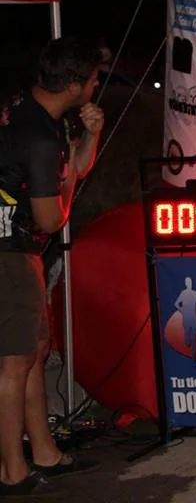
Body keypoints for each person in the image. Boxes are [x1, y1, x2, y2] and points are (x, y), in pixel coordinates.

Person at [0, 37, 105, 498]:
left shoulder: (33, 110)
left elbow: (75, 169)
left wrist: (92, 136)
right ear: (76, 85)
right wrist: (63, 192)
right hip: (9, 252)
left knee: (34, 352)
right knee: (14, 362)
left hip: (20, 251)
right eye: (95, 80)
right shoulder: (40, 136)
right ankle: (11, 470)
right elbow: (53, 217)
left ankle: (44, 453)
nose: (98, 86)